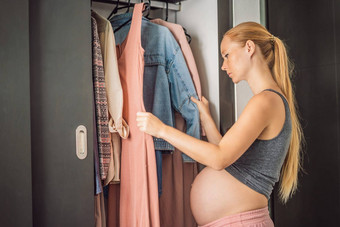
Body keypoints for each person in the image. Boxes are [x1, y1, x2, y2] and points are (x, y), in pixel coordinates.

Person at [136, 21, 304, 227]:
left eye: (227, 55)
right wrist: (206, 117)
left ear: (249, 48)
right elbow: (229, 157)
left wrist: (161, 130)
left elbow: (219, 159)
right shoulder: (268, 100)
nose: (224, 65)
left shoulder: (265, 101)